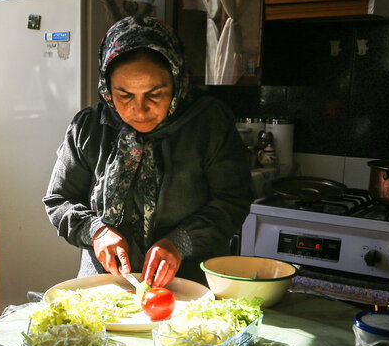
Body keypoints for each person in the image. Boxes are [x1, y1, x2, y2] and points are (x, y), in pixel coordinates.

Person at [44, 15, 252, 287]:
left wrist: (179, 242)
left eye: (155, 94)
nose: (139, 110)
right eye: (124, 95)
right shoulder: (89, 128)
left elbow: (233, 200)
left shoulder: (209, 124)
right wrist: (96, 231)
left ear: (177, 81)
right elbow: (58, 199)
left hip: (187, 286)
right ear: (108, 89)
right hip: (105, 286)